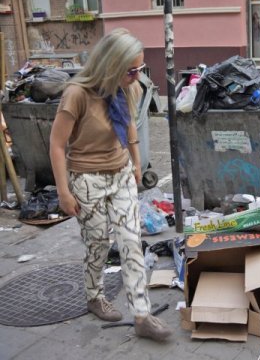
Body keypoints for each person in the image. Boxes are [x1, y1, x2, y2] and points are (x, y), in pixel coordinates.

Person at [49, 28, 172, 341]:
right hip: (86, 180)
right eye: (131, 70)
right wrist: (64, 191)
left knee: (131, 242)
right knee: (99, 244)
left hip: (120, 176)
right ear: (110, 66)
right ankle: (94, 296)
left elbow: (129, 121)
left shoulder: (125, 88)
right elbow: (57, 144)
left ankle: (142, 316)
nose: (136, 76)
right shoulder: (77, 94)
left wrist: (134, 161)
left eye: (141, 69)